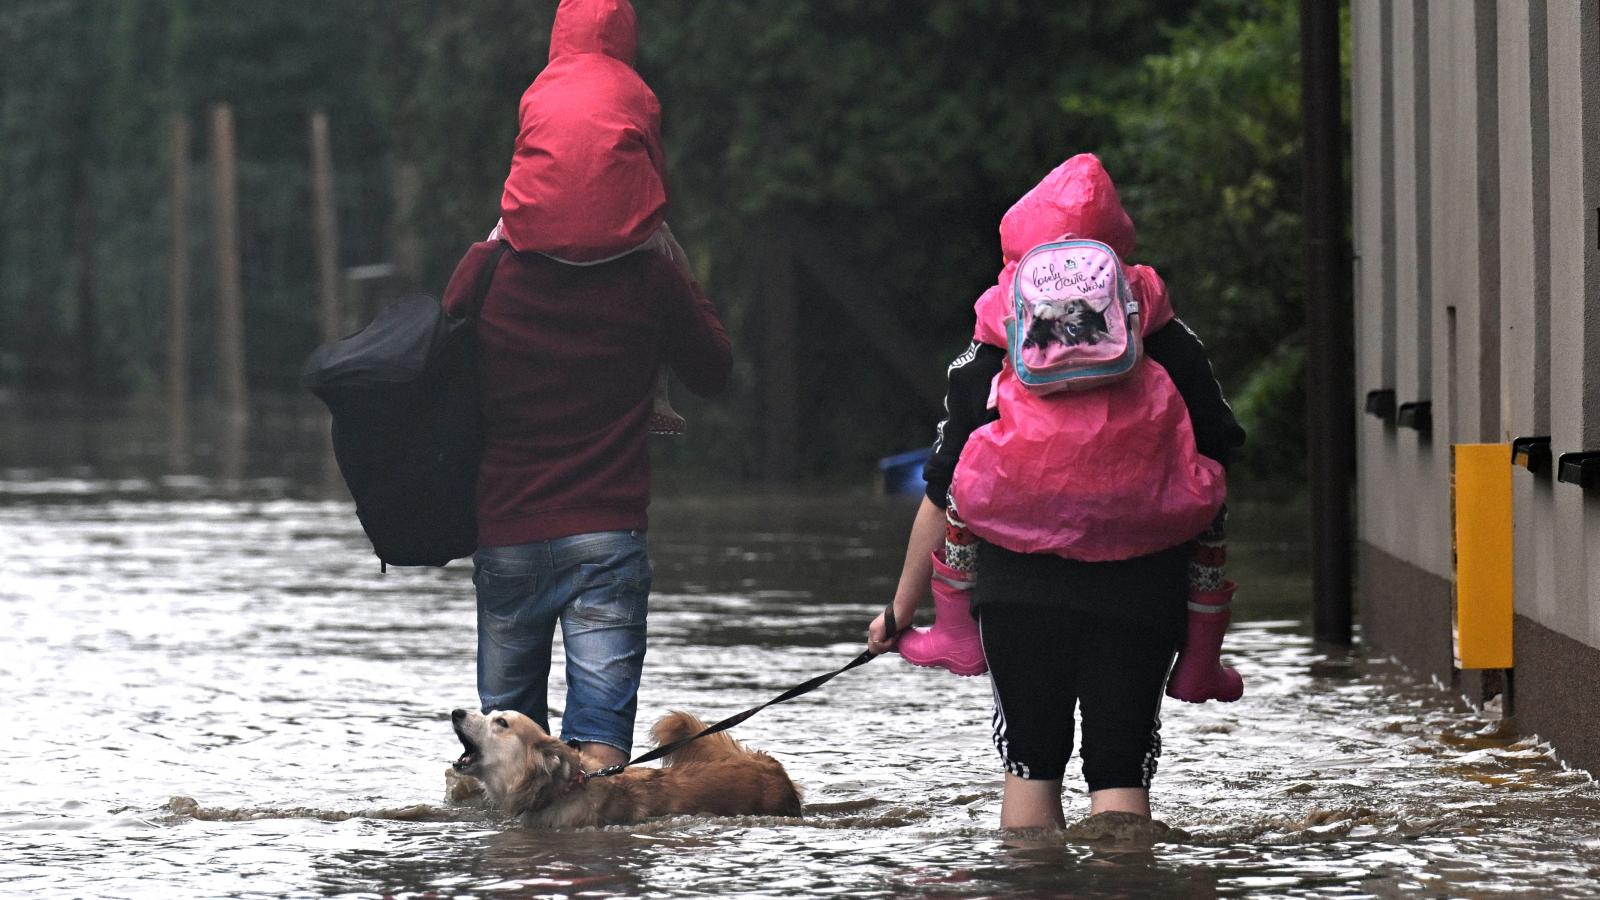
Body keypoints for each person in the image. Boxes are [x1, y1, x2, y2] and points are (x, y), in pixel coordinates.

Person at [867, 154, 1245, 830]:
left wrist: (901, 608)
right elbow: (1218, 450)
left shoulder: (992, 343)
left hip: (1017, 589)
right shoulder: (1167, 336)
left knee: (1030, 767)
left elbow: (942, 486)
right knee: (1122, 768)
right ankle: (1127, 885)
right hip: (1144, 583)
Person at [442, 0, 732, 771]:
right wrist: (677, 267)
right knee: (600, 760)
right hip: (608, 536)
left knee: (504, 762)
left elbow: (437, 360)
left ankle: (515, 886)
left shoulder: (489, 268)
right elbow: (714, 371)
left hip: (504, 532)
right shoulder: (650, 278)